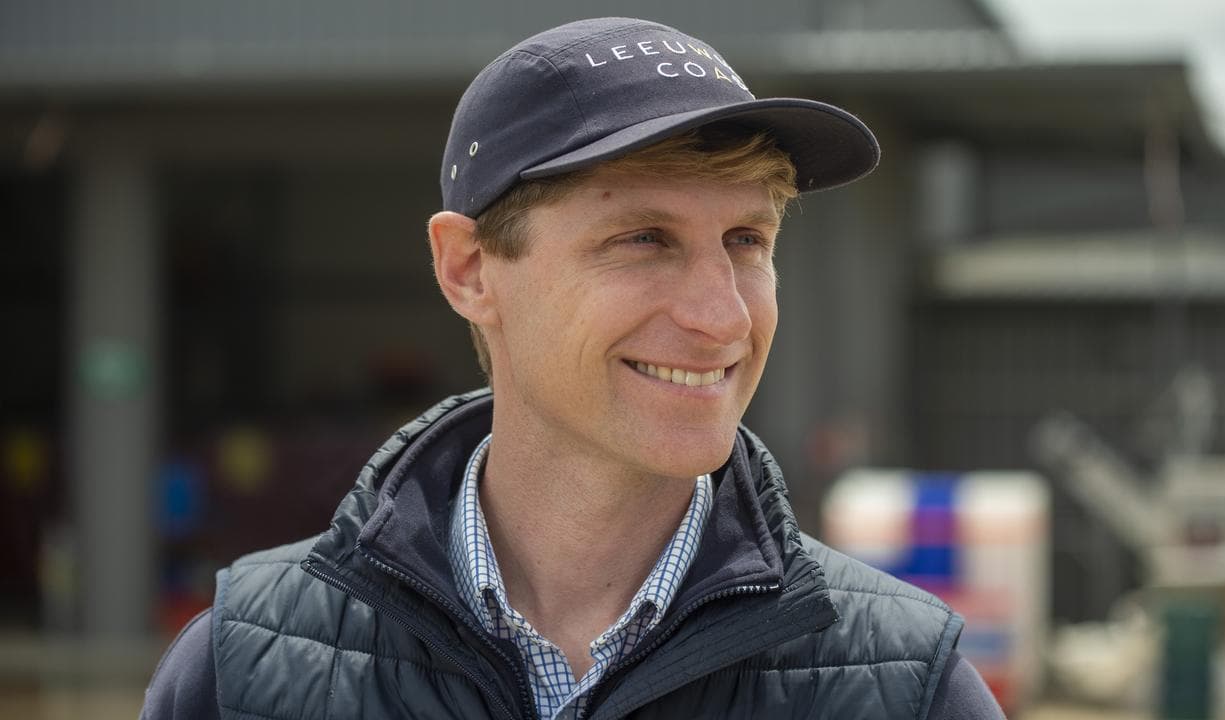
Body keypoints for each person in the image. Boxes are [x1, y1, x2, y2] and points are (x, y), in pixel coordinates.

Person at [142, 16, 1005, 720]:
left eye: (747, 240)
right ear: (470, 270)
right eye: (643, 239)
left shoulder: (909, 688)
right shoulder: (237, 674)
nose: (724, 317)